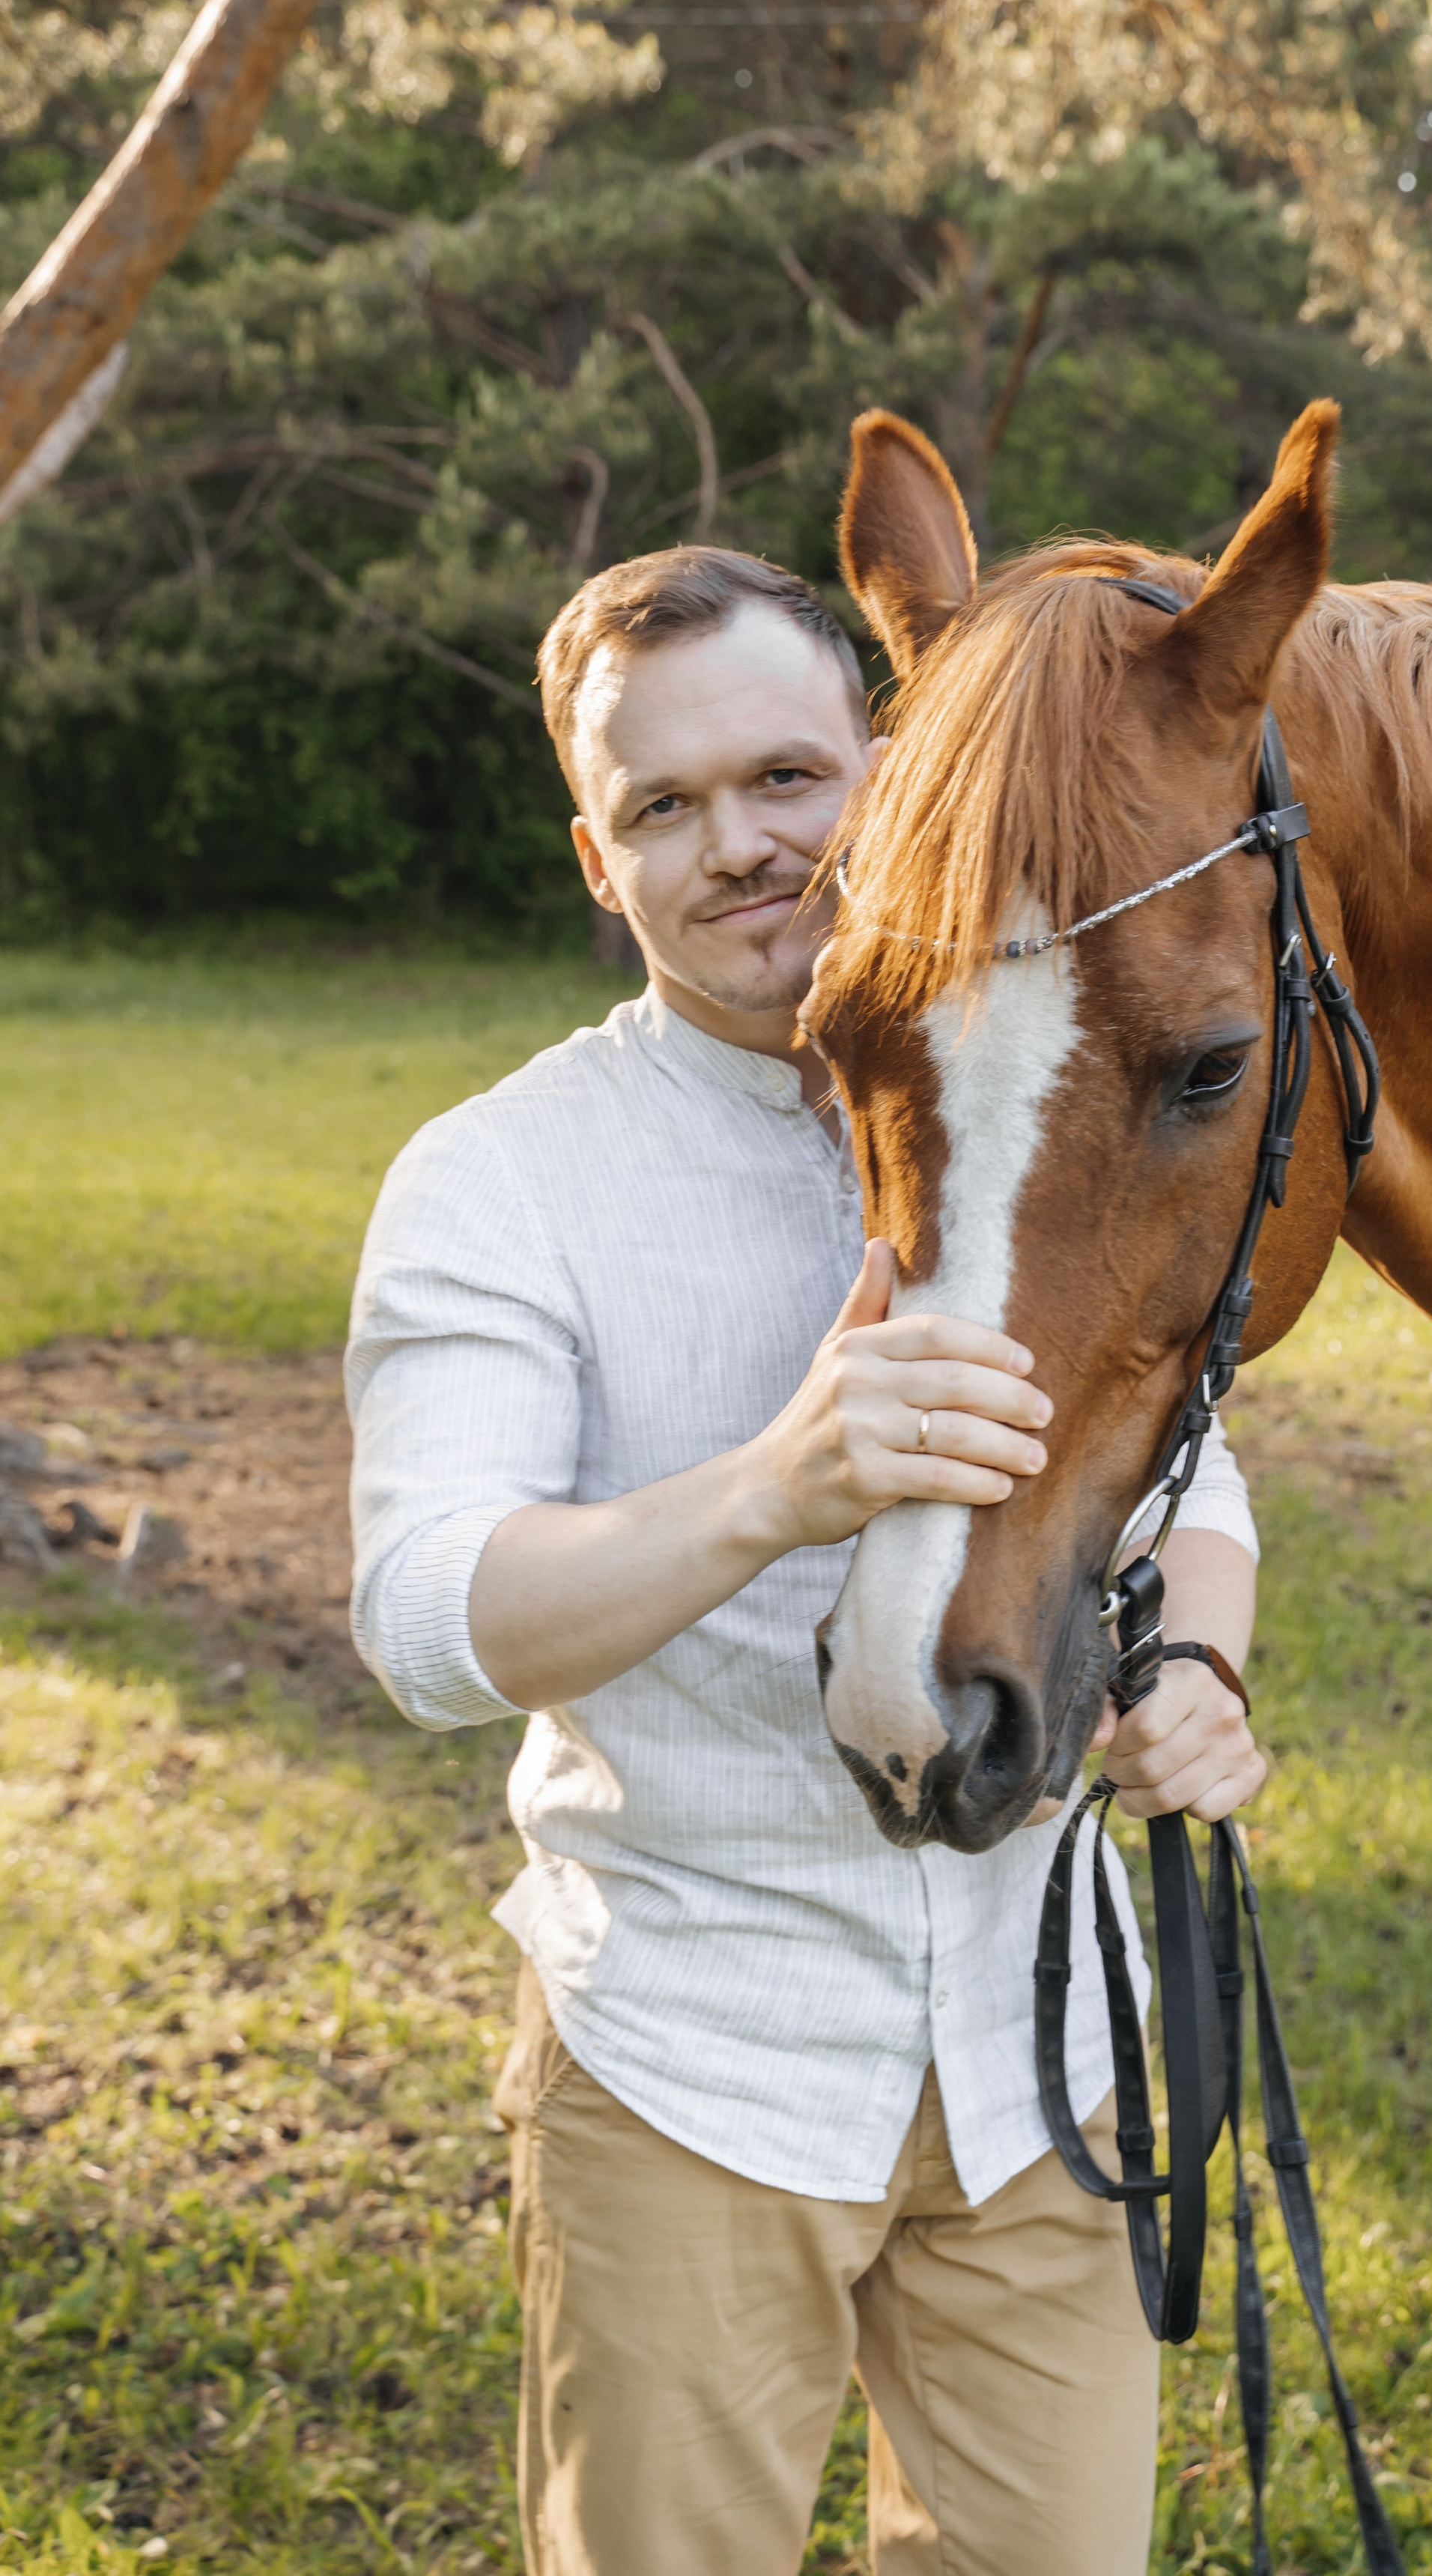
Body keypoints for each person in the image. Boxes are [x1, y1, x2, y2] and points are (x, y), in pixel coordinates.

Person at [345, 545, 1268, 2576]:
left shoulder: (1027, 1067)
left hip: (1046, 2059)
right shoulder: (501, 1182)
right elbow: (427, 1618)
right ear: (601, 865)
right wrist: (771, 1489)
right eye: (663, 808)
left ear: (886, 764)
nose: (742, 846)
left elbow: (1182, 1460)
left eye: (785, 777)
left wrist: (1196, 1668)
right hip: (694, 2060)